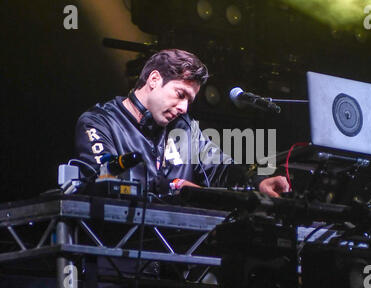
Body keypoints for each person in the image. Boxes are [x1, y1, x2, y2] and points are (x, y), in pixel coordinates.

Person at [75, 49, 289, 197]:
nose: (184, 108)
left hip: (175, 255)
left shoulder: (185, 129)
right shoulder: (99, 122)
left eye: (189, 100)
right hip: (116, 253)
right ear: (154, 80)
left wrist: (257, 183)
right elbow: (103, 178)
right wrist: (173, 188)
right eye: (180, 94)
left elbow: (222, 170)